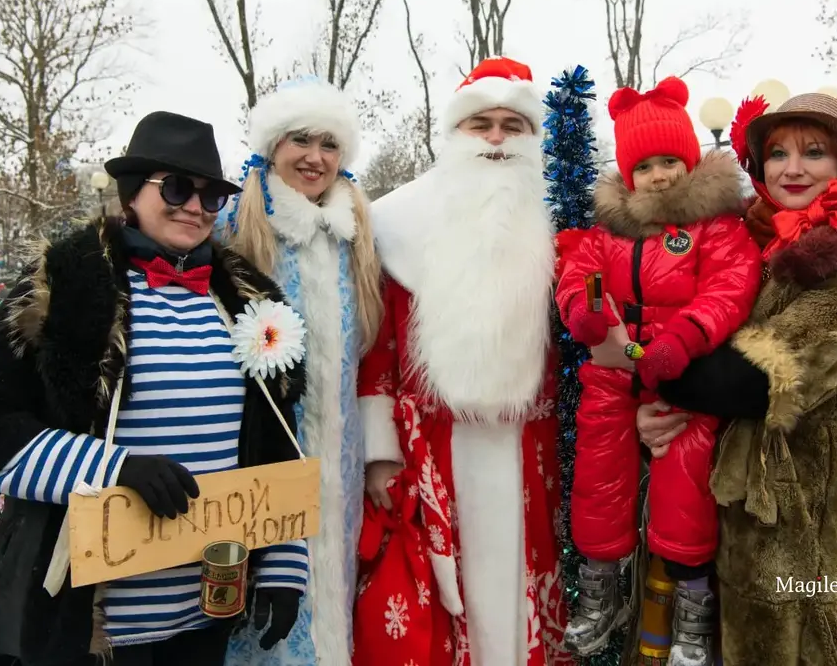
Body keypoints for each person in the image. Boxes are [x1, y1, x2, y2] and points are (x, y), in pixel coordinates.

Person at [0, 111, 310, 666]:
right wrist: (112, 469)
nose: (195, 206)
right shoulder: (64, 283)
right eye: (179, 188)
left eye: (211, 196)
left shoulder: (247, 297)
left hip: (207, 614)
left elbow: (276, 432)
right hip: (89, 625)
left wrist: (284, 560)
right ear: (132, 192)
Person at [634, 93, 837, 665]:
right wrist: (655, 413)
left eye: (814, 152)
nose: (792, 168)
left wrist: (645, 369)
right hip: (708, 485)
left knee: (797, 637)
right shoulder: (753, 241)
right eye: (777, 154)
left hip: (790, 498)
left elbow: (754, 378)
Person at [353, 57, 569, 666]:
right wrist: (380, 453)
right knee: (449, 595)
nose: (497, 138)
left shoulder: (565, 216)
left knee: (531, 580)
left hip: (536, 444)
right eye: (481, 124)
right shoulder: (398, 221)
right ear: (455, 132)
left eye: (512, 124)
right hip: (437, 446)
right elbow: (382, 348)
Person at [554, 76, 761, 665]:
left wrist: (685, 337)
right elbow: (576, 272)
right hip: (615, 370)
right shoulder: (608, 229)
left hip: (682, 373)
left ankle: (694, 609)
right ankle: (600, 589)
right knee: (597, 472)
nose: (661, 175)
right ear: (628, 174)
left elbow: (729, 288)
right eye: (646, 166)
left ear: (690, 161)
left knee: (686, 484)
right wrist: (584, 310)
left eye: (671, 160)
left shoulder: (715, 226)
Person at [221, 77, 383, 666]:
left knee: (331, 604)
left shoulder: (358, 237)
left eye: (329, 144)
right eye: (300, 140)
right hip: (256, 466)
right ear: (272, 146)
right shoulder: (232, 232)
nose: (315, 157)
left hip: (339, 467)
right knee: (266, 626)